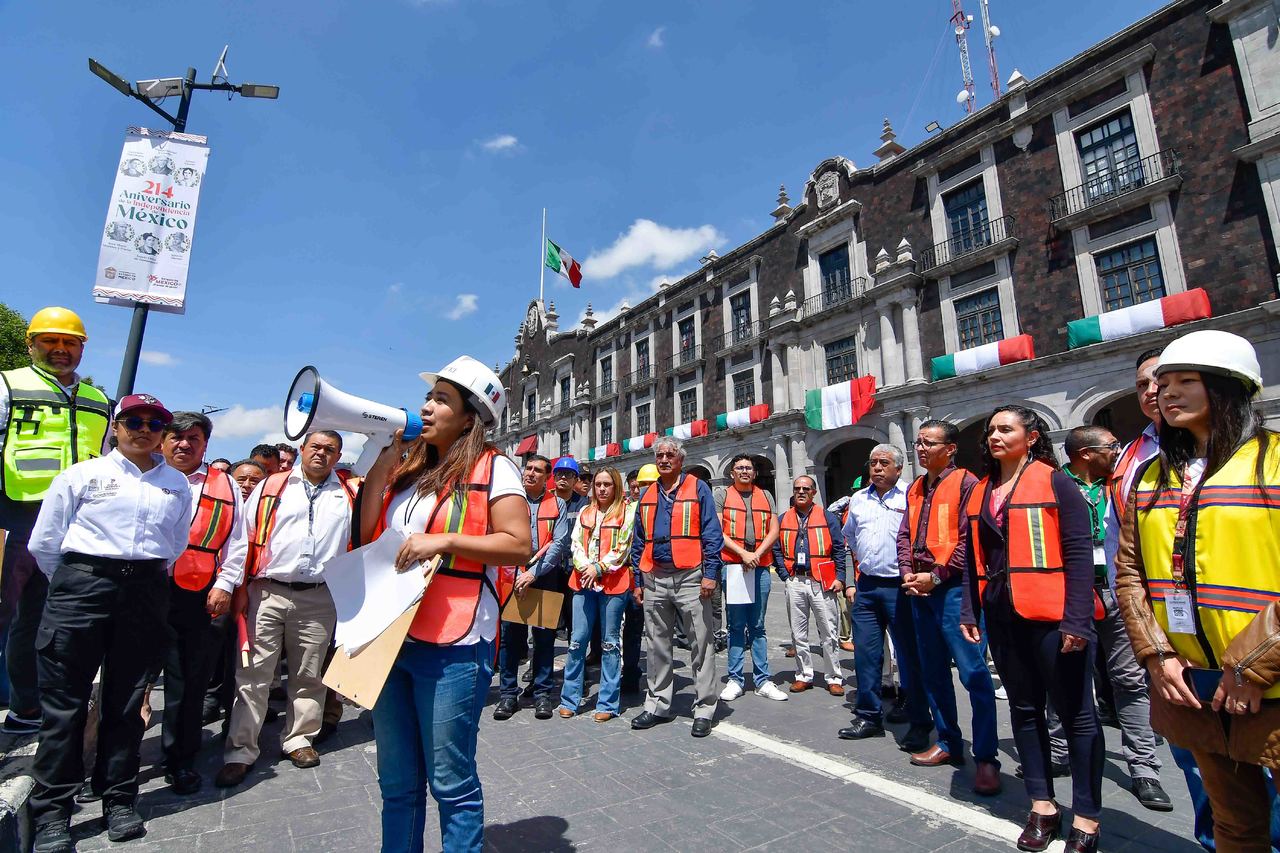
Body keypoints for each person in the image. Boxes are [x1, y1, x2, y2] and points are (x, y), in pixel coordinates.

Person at [1116, 330, 1279, 853]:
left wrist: (1251, 666)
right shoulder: (1151, 476)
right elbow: (1130, 573)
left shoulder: (1273, 461)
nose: (1167, 393)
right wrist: (1156, 655)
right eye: (1162, 384)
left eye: (1186, 381)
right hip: (1191, 682)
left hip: (1269, 682)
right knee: (1234, 826)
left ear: (1230, 386)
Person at [357, 355, 527, 853]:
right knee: (396, 783)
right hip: (391, 637)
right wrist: (384, 463)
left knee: (451, 783)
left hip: (455, 642)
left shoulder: (496, 468)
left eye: (442, 399)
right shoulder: (409, 468)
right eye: (428, 397)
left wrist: (445, 541)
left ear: (471, 417)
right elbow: (367, 534)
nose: (426, 407)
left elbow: (518, 543)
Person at [26, 395, 190, 851]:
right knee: (65, 706)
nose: (144, 430)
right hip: (82, 587)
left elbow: (174, 544)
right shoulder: (81, 475)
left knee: (127, 701)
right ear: (116, 427)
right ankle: (53, 813)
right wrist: (79, 583)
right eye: (134, 421)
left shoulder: (176, 484)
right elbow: (45, 544)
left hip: (144, 592)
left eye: (155, 423)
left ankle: (118, 797)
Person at [960, 406, 1103, 853]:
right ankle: (1042, 805)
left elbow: (1079, 554)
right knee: (1024, 710)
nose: (995, 436)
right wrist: (970, 611)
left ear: (1033, 437)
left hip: (1055, 618)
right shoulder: (980, 490)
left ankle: (1087, 817)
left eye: (1006, 429)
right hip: (1002, 616)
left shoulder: (1056, 482)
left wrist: (1077, 619)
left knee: (1077, 715)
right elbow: (972, 559)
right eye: (991, 430)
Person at [215, 430, 357, 788]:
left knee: (309, 674)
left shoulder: (348, 492)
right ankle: (241, 750)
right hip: (267, 592)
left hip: (320, 596)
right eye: (315, 447)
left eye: (330, 449)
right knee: (253, 675)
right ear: (301, 449)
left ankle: (299, 739)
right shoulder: (271, 486)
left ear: (338, 456)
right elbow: (244, 538)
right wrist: (240, 588)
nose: (321, 454)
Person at [1, 307, 110, 737]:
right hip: (14, 517)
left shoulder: (99, 401)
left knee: (42, 620)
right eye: (50, 340)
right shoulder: (9, 385)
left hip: (72, 528)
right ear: (31, 344)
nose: (60, 349)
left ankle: (26, 707)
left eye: (70, 342)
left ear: (82, 348)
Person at [1062, 424, 1170, 810]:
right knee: (1067, 678)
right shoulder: (1056, 485)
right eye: (1111, 446)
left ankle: (1144, 769)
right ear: (1086, 453)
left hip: (1118, 591)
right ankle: (1059, 752)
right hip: (1072, 597)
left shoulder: (1121, 484)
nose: (1118, 451)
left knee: (1130, 681)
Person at [898, 422, 1000, 793]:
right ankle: (947, 741)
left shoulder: (968, 484)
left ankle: (986, 758)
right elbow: (905, 535)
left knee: (973, 674)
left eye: (929, 443)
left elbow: (968, 543)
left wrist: (936, 576)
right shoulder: (915, 486)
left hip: (955, 591)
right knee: (933, 671)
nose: (921, 448)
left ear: (950, 448)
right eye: (918, 443)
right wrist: (908, 572)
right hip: (921, 591)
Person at [157, 412, 246, 795]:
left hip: (198, 592)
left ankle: (180, 760)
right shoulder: (142, 476)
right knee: (126, 681)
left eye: (193, 438)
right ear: (163, 441)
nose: (184, 444)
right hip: (142, 590)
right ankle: (112, 768)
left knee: (189, 682)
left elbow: (238, 540)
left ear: (205, 445)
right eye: (176, 437)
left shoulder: (225, 484)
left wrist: (225, 583)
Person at [629, 436, 725, 737]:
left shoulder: (698, 488)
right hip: (654, 576)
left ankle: (705, 707)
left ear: (681, 460)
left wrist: (710, 574)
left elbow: (712, 533)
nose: (664, 459)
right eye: (660, 455)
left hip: (691, 576)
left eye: (670, 455)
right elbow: (638, 540)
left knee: (701, 642)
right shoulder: (647, 495)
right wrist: (638, 581)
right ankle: (658, 704)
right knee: (656, 643)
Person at [839, 449, 926, 741]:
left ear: (898, 469)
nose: (876, 468)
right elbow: (850, 536)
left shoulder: (911, 496)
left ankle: (915, 715)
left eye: (884, 463)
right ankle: (869, 716)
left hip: (900, 587)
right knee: (866, 654)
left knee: (908, 654)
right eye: (873, 463)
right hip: (867, 586)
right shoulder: (858, 499)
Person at [493, 455, 570, 721]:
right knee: (510, 639)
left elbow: (559, 543)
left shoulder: (558, 504)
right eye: (528, 468)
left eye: (537, 470)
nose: (530, 473)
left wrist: (534, 574)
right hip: (511, 574)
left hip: (544, 576)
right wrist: (521, 573)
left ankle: (542, 694)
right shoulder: (510, 501)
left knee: (544, 638)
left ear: (547, 477)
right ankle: (508, 695)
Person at [560, 467, 634, 721]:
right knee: (577, 641)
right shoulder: (585, 511)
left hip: (613, 583)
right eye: (598, 484)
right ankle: (569, 698)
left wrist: (599, 568)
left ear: (616, 487)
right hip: (583, 582)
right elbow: (575, 543)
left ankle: (608, 703)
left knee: (610, 643)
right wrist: (586, 568)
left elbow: (623, 547)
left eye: (607, 484)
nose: (602, 489)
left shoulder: (627, 512)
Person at [717, 454, 787, 701]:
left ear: (754, 473)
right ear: (732, 473)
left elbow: (774, 529)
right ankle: (735, 679)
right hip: (733, 566)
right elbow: (718, 531)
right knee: (736, 625)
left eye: (748, 468)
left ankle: (763, 680)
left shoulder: (766, 495)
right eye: (740, 468)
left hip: (760, 565)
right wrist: (743, 554)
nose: (745, 471)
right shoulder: (722, 495)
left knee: (758, 625)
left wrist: (756, 554)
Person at [776, 474, 849, 696]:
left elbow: (839, 548)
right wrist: (784, 574)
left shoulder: (828, 517)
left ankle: (833, 677)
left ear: (814, 492)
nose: (801, 492)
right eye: (797, 488)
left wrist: (840, 577)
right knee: (798, 633)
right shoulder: (782, 519)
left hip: (821, 580)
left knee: (829, 631)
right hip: (795, 580)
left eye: (805, 489)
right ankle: (803, 675)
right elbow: (776, 549)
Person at [621, 464, 660, 694]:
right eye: (636, 486)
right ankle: (630, 673)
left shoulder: (664, 506)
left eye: (645, 485)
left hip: (657, 574)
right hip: (632, 574)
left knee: (658, 630)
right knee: (633, 628)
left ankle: (658, 678)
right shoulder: (625, 509)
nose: (640, 490)